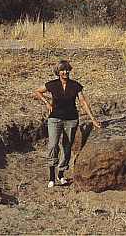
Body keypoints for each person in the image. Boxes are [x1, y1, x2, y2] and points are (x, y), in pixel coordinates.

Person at [35, 60, 101, 188]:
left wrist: (93, 119)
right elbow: (37, 91)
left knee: (66, 146)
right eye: (62, 70)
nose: (65, 72)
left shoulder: (75, 85)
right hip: (55, 118)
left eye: (67, 69)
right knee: (53, 145)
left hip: (71, 119)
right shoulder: (52, 85)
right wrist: (47, 103)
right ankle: (51, 176)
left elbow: (83, 102)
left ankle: (60, 174)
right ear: (58, 72)